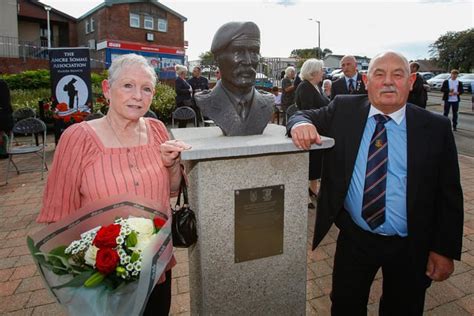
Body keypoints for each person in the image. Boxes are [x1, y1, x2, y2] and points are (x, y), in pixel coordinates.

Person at [288, 51, 463, 315]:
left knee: (402, 308)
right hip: (355, 238)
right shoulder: (344, 109)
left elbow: (449, 194)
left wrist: (443, 249)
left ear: (411, 80)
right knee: (346, 305)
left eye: (398, 74)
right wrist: (300, 123)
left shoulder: (435, 128)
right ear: (366, 80)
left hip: (411, 243)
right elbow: (300, 114)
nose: (388, 82)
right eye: (379, 74)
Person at [37, 54, 191, 315]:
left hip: (156, 268)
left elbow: (173, 190)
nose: (138, 96)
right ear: (107, 90)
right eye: (128, 85)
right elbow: (60, 212)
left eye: (146, 89)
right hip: (105, 275)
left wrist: (173, 164)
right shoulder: (78, 138)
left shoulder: (157, 130)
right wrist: (76, 271)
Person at [194, 21, 273, 136]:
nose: (248, 61)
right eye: (238, 52)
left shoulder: (267, 101)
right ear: (217, 58)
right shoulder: (206, 101)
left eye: (254, 52)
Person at [294, 59, 329, 210]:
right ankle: (304, 193)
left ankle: (313, 188)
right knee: (308, 163)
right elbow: (306, 110)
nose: (323, 72)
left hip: (319, 131)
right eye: (322, 69)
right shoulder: (305, 87)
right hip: (309, 131)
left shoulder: (317, 86)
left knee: (316, 163)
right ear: (314, 71)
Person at [0, 78, 14, 159]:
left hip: (3, 115)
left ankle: (3, 151)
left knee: (2, 133)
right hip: (4, 114)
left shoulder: (2, 84)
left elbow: (5, 102)